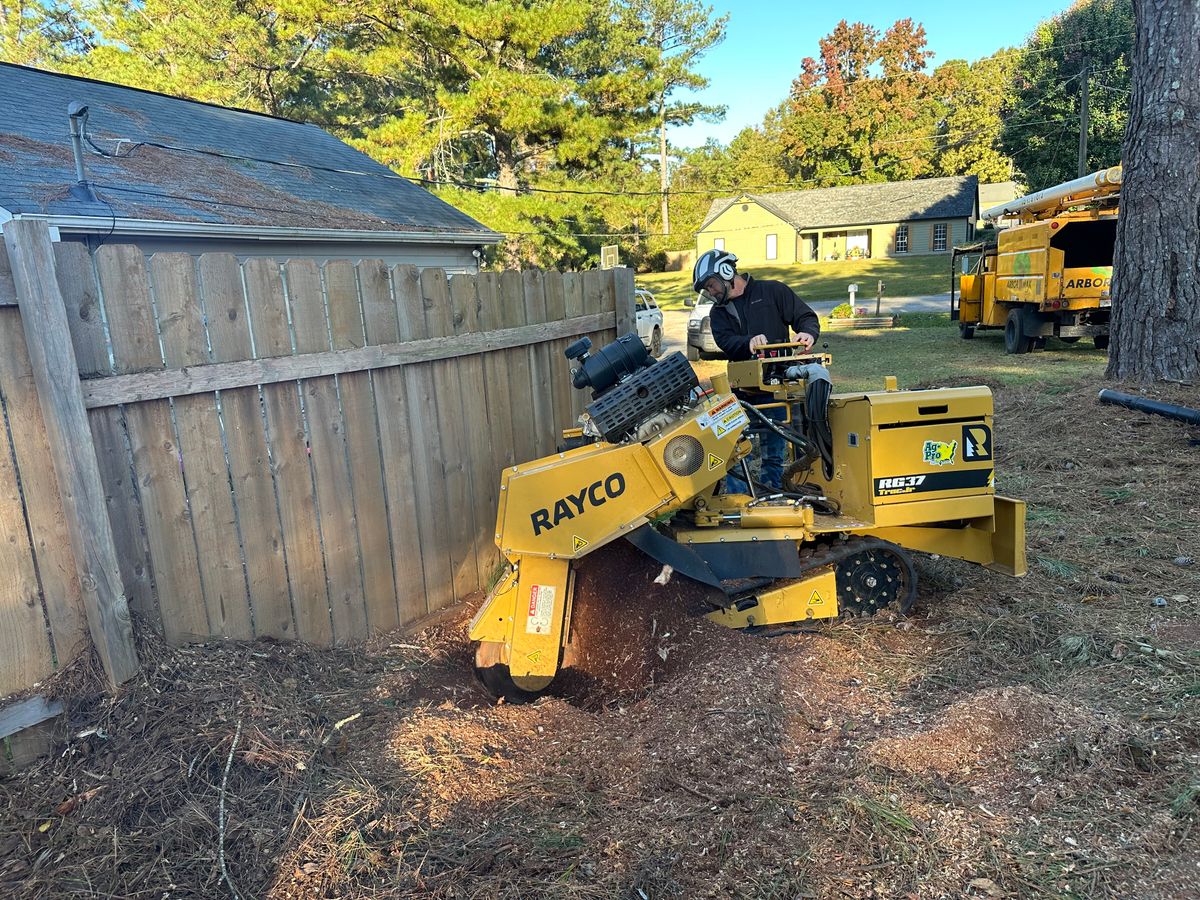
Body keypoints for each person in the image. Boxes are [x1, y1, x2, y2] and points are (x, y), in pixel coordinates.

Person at [692, 249, 820, 492]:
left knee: (775, 452)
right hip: (742, 394)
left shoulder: (773, 291)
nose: (711, 292)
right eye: (707, 289)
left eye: (711, 285)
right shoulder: (718, 313)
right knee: (736, 451)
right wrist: (747, 342)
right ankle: (738, 502)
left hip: (777, 389)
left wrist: (808, 333)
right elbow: (726, 342)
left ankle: (776, 495)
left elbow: (805, 316)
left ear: (727, 272)